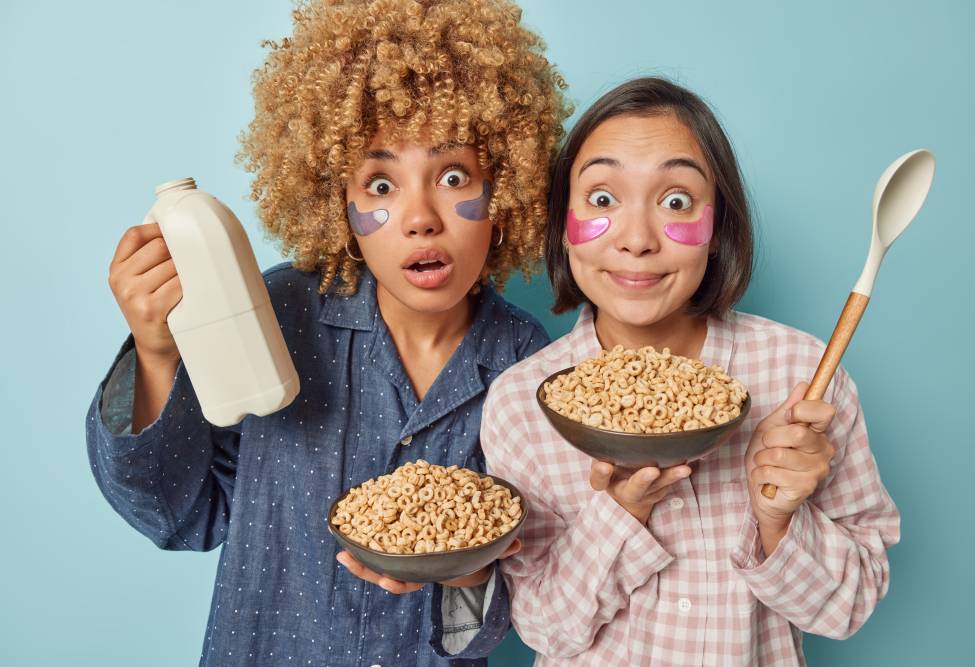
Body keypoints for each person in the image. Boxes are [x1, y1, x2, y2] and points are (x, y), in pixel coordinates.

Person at [85, 1, 569, 664]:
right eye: (380, 184)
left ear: (508, 187)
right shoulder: (279, 310)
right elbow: (177, 511)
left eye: (454, 176)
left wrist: (469, 573)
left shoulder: (531, 365)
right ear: (334, 200)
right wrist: (156, 351)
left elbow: (526, 600)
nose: (421, 217)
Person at [479, 77, 900, 665]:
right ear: (562, 222)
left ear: (718, 225)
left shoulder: (803, 375)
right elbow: (545, 630)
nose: (637, 240)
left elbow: (850, 607)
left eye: (675, 201)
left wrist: (778, 519)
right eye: (602, 199)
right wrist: (619, 516)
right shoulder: (523, 401)